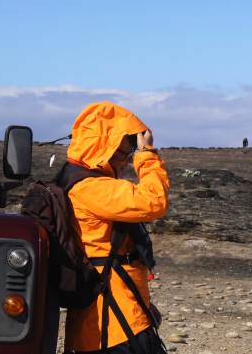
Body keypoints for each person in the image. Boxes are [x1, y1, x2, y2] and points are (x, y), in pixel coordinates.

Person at [62, 101, 170, 354]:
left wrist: (143, 305)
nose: (125, 161)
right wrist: (148, 155)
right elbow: (153, 201)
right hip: (114, 319)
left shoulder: (78, 181)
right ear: (103, 147)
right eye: (123, 153)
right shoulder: (92, 188)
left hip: (113, 308)